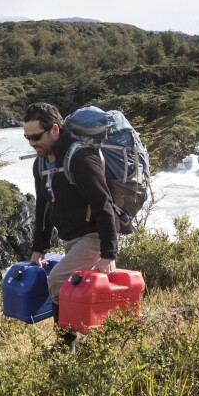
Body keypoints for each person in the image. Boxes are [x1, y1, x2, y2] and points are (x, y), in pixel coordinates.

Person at [23, 102, 119, 352]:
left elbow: (104, 204)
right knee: (73, 287)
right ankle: (90, 341)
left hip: (94, 236)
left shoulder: (81, 158)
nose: (32, 143)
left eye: (36, 137)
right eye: (27, 138)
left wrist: (109, 253)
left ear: (55, 129)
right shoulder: (41, 164)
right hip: (71, 238)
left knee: (58, 280)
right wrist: (38, 249)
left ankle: (66, 347)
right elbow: (43, 208)